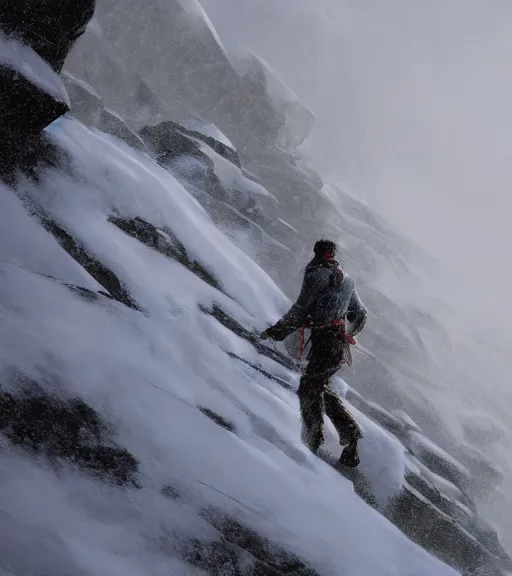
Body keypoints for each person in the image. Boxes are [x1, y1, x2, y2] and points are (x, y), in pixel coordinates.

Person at [261, 239, 367, 467]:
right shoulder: (347, 280)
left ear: (317, 253)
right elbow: (360, 314)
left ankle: (313, 439)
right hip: (337, 344)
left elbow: (300, 310)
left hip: (325, 342)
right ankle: (349, 434)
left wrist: (276, 331)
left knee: (308, 387)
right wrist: (347, 332)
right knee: (318, 386)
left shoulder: (316, 275)